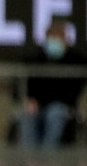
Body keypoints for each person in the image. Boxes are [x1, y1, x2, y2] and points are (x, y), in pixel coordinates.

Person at [15, 19, 86, 148]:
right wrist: (30, 100)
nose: (55, 42)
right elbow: (24, 86)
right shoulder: (36, 59)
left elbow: (74, 91)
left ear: (65, 40)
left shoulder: (76, 61)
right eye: (52, 37)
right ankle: (29, 160)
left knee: (55, 112)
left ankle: (48, 158)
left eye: (58, 38)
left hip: (63, 106)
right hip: (38, 105)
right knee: (26, 114)